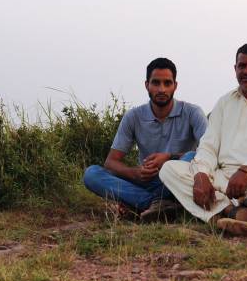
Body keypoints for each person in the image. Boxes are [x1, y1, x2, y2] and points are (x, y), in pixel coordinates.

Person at [160, 43, 247, 236]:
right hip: (223, 178)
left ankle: (220, 211)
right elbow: (208, 146)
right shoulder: (224, 103)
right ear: (235, 69)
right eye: (242, 66)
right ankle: (232, 212)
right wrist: (201, 175)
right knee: (169, 169)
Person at [83, 57, 207, 221]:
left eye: (167, 83)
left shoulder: (192, 112)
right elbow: (111, 162)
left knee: (191, 158)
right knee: (92, 174)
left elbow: (209, 151)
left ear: (175, 86)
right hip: (148, 181)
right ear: (146, 85)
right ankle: (160, 204)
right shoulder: (134, 116)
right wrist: (134, 173)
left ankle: (141, 205)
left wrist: (169, 157)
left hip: (178, 179)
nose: (161, 89)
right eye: (156, 83)